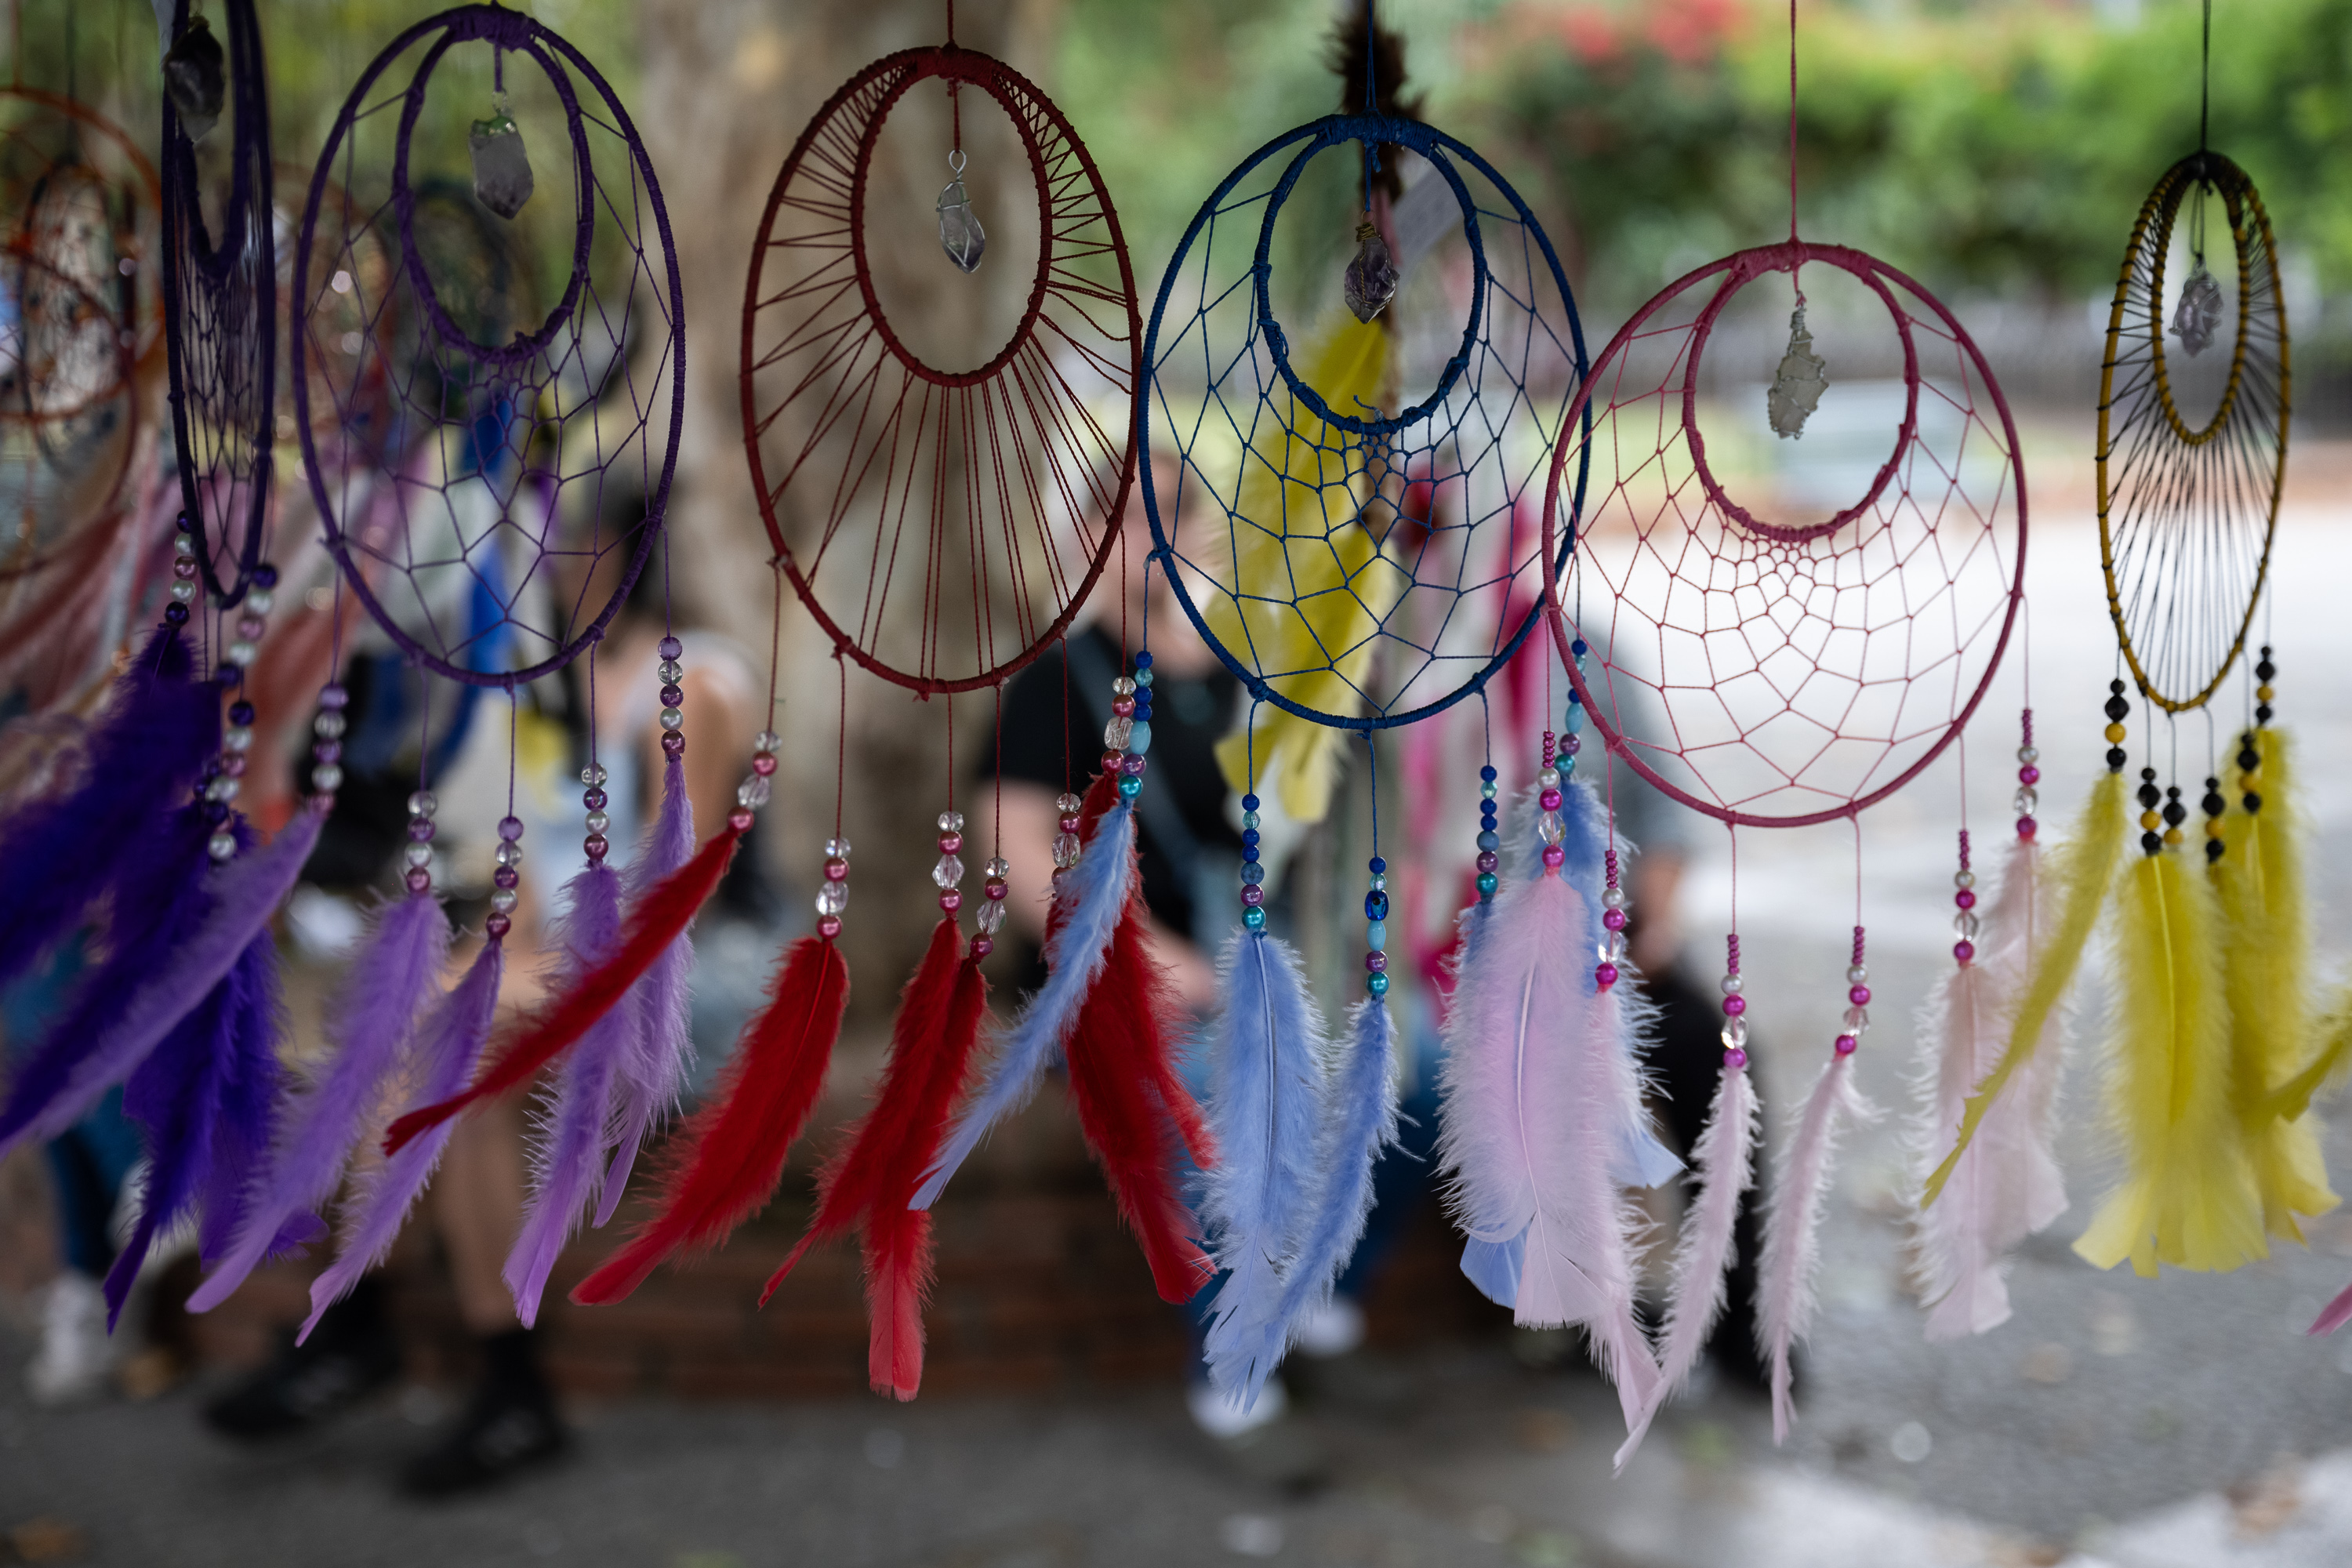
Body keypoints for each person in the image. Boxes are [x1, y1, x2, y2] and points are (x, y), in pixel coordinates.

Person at [203, 530, 759, 1496]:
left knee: (454, 1038)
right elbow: (545, 881)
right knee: (426, 1041)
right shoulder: (550, 684)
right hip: (560, 964)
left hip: (680, 974)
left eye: (583, 538)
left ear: (633, 547)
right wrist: (483, 961)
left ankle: (372, 1331)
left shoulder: (696, 682)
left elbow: (677, 884)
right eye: (551, 541)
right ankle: (487, 1373)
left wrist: (511, 975)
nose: (560, 559)